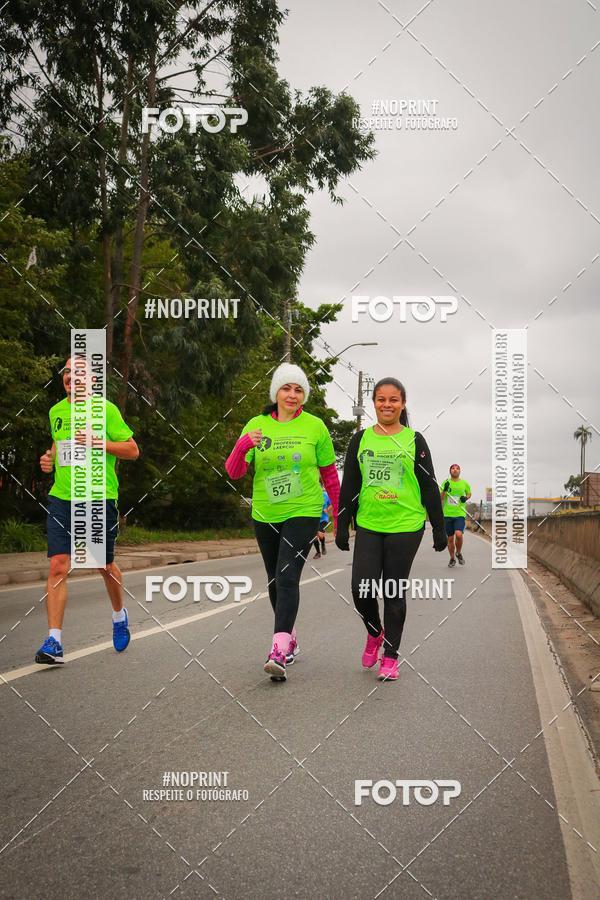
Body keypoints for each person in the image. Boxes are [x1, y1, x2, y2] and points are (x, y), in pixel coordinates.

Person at [225, 363, 340, 681]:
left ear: (304, 395)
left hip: (304, 510)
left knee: (287, 576)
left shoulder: (315, 426)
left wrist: (340, 515)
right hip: (265, 512)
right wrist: (243, 446)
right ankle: (289, 637)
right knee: (274, 579)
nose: (292, 394)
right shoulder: (257, 424)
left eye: (298, 389)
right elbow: (234, 471)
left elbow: (330, 475)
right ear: (275, 392)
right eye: (287, 388)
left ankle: (278, 651)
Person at [336, 377, 447, 682]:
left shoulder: (414, 440)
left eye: (393, 399)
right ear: (374, 403)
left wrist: (439, 528)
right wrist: (342, 524)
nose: (387, 404)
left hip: (406, 525)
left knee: (393, 590)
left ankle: (390, 656)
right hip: (369, 523)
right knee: (361, 588)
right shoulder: (360, 440)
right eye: (381, 399)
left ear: (403, 404)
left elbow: (429, 485)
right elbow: (350, 485)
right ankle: (375, 632)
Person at [36, 357, 139, 664]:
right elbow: (58, 446)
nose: (71, 376)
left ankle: (119, 615)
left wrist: (99, 443)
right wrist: (48, 459)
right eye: (67, 371)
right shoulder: (56, 411)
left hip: (97, 497)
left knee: (103, 565)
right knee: (58, 565)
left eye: (78, 372)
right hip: (62, 497)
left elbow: (132, 450)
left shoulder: (106, 410)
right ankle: (54, 641)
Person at [440, 464, 472, 567]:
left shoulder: (464, 483)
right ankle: (452, 558)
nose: (455, 470)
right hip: (447, 514)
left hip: (459, 514)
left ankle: (458, 553)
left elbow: (469, 493)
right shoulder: (446, 482)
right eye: (453, 468)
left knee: (458, 534)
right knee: (450, 539)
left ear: (459, 471)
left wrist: (465, 498)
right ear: (450, 471)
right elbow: (441, 498)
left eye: (457, 468)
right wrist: (444, 490)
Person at [313, 485, 333, 558]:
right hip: (314, 519)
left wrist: (327, 509)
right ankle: (318, 553)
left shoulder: (325, 495)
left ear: (321, 487)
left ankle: (323, 545)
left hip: (324, 519)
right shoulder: (312, 496)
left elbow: (331, 504)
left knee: (320, 534)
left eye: (319, 486)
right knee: (314, 536)